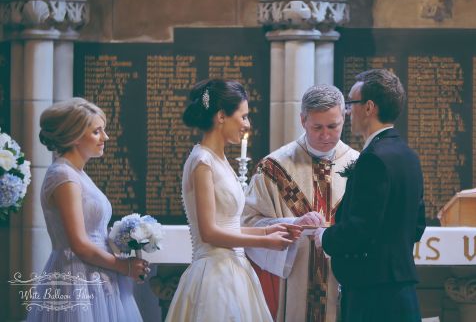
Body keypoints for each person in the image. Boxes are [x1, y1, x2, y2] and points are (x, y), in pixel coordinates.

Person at [166, 79, 300, 321]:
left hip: (234, 269)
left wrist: (268, 230)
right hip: (214, 275)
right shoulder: (202, 162)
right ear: (221, 116)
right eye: (244, 116)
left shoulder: (220, 160)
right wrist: (265, 242)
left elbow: (227, 224)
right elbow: (209, 233)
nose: (247, 124)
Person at [242, 84, 359, 322]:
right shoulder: (274, 168)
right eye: (317, 127)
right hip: (293, 281)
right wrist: (291, 223)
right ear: (302, 120)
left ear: (344, 119)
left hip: (345, 281)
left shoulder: (360, 165)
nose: (325, 135)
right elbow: (247, 223)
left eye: (332, 126)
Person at [318, 69, 426, 322]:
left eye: (351, 103)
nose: (347, 111)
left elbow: (361, 228)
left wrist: (324, 236)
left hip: (374, 293)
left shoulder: (373, 159)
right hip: (401, 288)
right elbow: (418, 225)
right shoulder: (407, 155)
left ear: (369, 107)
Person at [30, 97, 146, 321]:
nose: (106, 137)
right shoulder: (63, 175)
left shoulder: (77, 174)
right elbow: (79, 245)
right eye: (97, 132)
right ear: (74, 136)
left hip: (97, 272)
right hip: (78, 276)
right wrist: (123, 267)